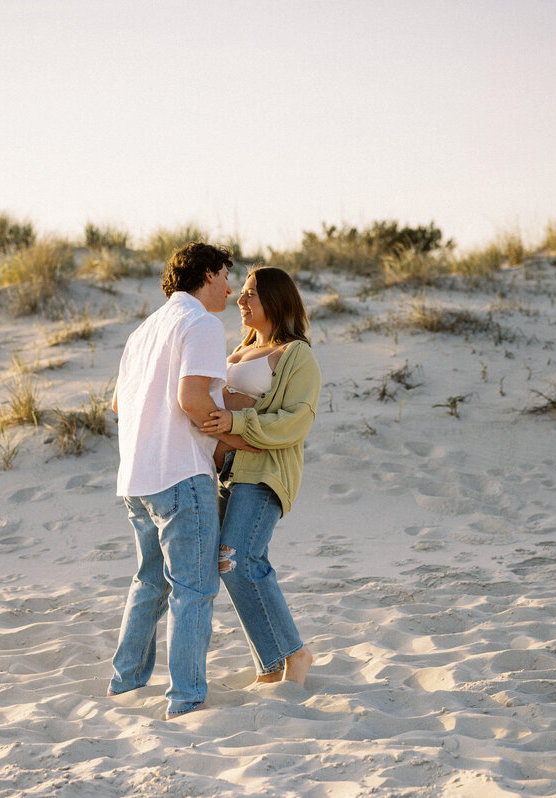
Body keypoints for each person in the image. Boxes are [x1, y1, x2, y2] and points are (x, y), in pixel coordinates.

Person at [106, 242, 253, 719]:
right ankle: (186, 700)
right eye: (228, 275)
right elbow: (192, 399)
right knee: (193, 587)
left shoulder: (143, 331)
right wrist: (243, 439)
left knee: (150, 582)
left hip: (136, 478)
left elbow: (117, 406)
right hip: (180, 475)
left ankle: (126, 685)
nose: (231, 288)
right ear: (207, 274)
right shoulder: (202, 324)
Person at [200, 266, 320, 688]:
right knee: (229, 562)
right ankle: (270, 667)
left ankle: (295, 654)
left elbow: (294, 422)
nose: (241, 300)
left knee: (237, 559)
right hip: (223, 472)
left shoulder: (295, 355)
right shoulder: (239, 349)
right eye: (243, 292)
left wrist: (236, 421)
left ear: (276, 300)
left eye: (251, 292)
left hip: (264, 472)